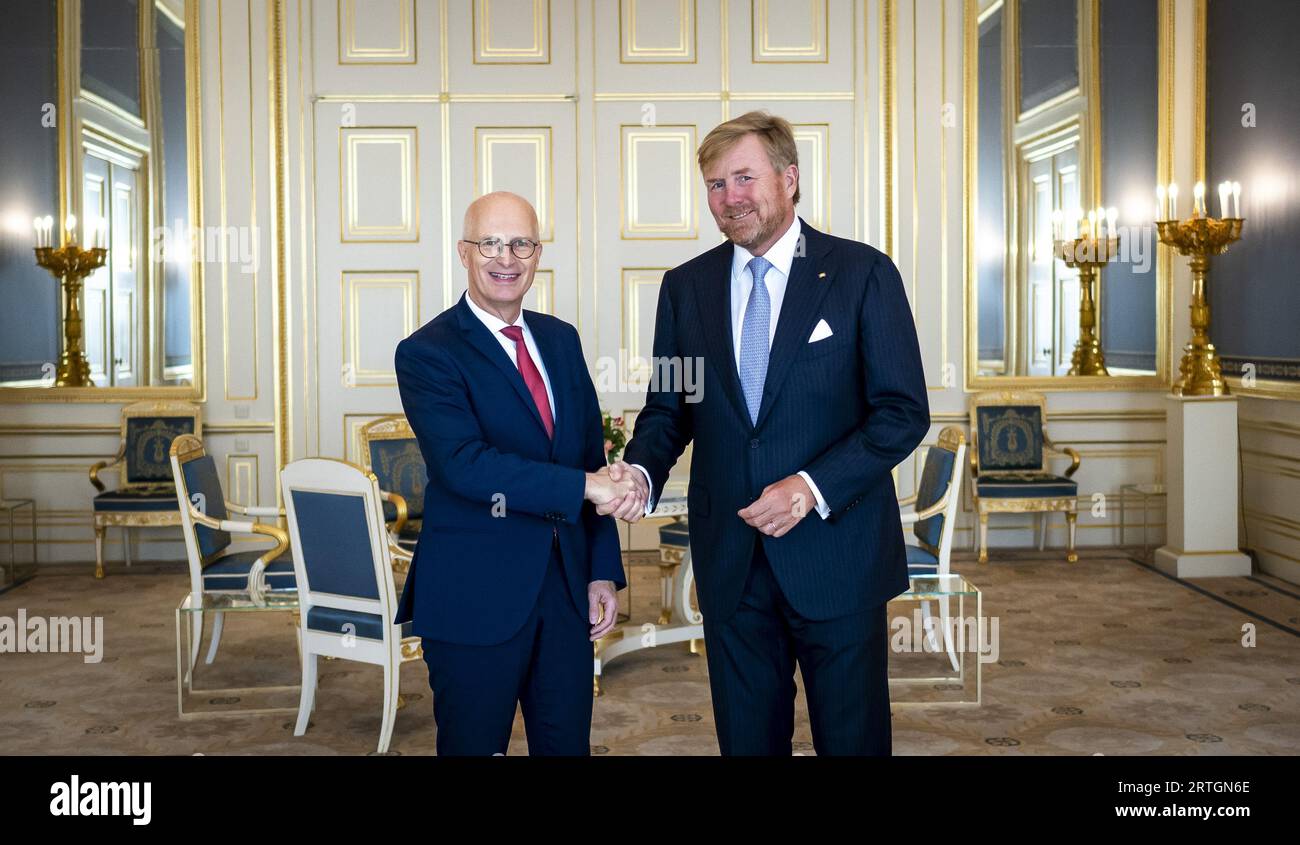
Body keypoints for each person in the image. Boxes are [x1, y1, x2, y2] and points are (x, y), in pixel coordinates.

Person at [610, 111, 930, 755]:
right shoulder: (686, 288)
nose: (730, 198)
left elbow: (902, 411)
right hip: (732, 562)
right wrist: (639, 471)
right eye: (715, 184)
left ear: (789, 179)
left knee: (854, 741)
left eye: (744, 177)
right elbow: (670, 408)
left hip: (837, 556)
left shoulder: (861, 274)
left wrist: (811, 486)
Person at [393, 191, 639, 755]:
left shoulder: (561, 339)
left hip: (564, 592)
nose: (507, 258)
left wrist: (601, 570)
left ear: (538, 253)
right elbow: (465, 466)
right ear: (464, 252)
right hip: (473, 596)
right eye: (491, 244)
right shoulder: (428, 352)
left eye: (521, 244)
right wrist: (586, 486)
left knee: (566, 747)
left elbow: (586, 459)